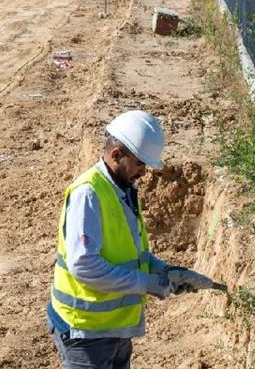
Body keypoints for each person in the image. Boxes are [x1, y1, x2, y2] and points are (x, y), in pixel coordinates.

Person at [47, 110, 217, 369]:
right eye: (140, 164)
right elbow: (83, 265)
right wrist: (147, 283)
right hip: (85, 332)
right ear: (117, 155)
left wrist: (165, 271)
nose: (144, 172)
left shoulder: (122, 191)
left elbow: (130, 255)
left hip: (113, 328)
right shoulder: (89, 195)